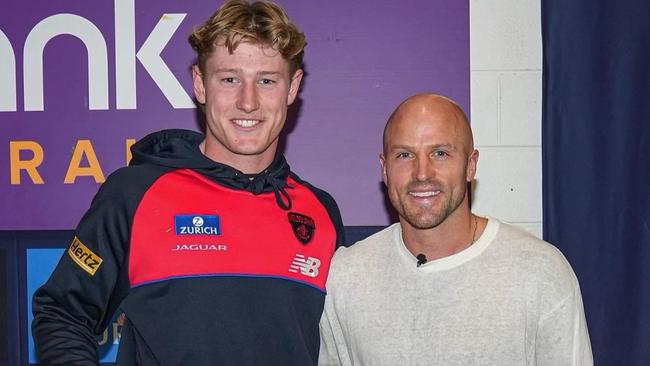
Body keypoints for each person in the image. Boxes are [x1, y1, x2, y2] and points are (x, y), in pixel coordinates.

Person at [32, 1, 345, 364]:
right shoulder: (134, 194)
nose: (248, 102)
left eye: (266, 81)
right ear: (199, 84)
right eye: (229, 79)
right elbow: (61, 313)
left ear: (292, 87)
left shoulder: (320, 212)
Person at [318, 93, 592, 365]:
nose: (422, 173)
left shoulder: (539, 272)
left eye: (440, 153)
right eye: (404, 155)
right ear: (385, 169)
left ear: (470, 165)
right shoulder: (346, 277)